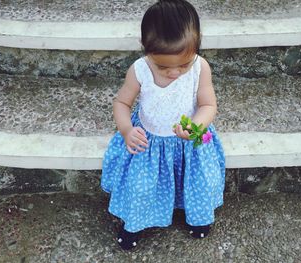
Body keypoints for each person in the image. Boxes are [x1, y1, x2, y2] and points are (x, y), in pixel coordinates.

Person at [101, 0, 225, 250]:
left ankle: (198, 216)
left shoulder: (200, 68)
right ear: (146, 50)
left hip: (188, 143)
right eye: (163, 66)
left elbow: (208, 105)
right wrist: (127, 130)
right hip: (149, 143)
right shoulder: (139, 71)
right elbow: (122, 103)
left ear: (197, 47)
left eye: (183, 65)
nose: (174, 73)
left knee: (200, 181)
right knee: (140, 187)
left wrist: (196, 127)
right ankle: (134, 223)